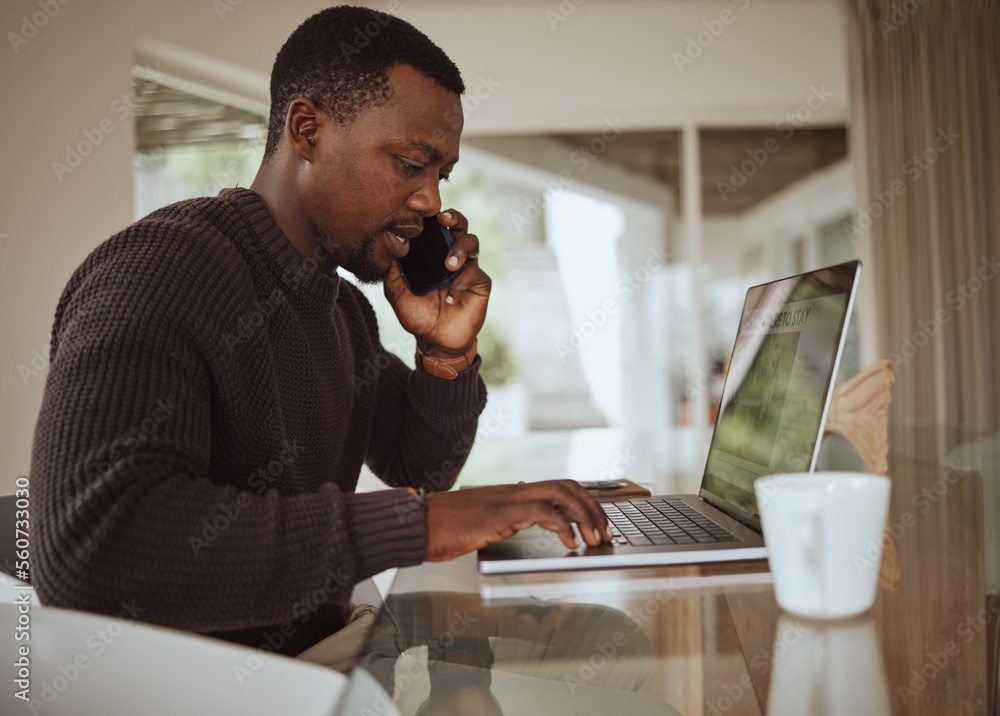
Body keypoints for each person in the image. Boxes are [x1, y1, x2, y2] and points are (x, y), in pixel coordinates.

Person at [29, 4, 610, 658]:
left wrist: (445, 355)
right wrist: (418, 525)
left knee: (605, 637)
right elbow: (94, 548)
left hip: (325, 654)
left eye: (438, 175)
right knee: (611, 656)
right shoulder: (162, 268)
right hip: (220, 690)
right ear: (307, 130)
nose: (428, 201)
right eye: (409, 163)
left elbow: (423, 466)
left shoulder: (340, 310)